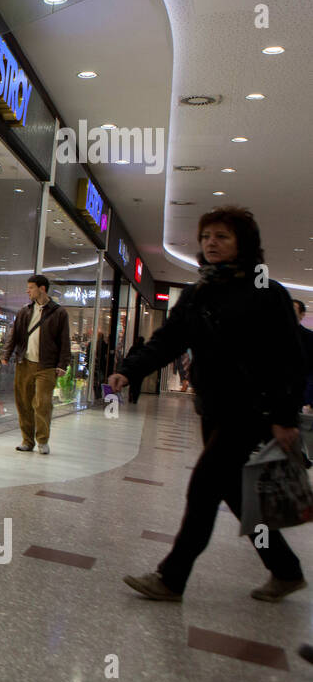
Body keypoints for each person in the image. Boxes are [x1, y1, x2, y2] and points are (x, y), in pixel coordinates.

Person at [113, 206, 306, 603]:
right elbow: (168, 340)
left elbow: (290, 359)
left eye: (222, 236)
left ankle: (171, 578)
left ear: (243, 243)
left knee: (203, 489)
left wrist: (285, 416)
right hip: (214, 408)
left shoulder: (267, 292)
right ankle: (286, 570)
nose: (211, 244)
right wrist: (130, 371)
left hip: (252, 412)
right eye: (206, 237)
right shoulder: (200, 292)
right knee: (236, 495)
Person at [0, 274, 71, 454]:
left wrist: (63, 364)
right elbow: (14, 335)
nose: (27, 291)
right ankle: (27, 440)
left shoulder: (59, 313)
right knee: (23, 402)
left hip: (46, 366)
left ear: (42, 289)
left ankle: (42, 440)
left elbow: (64, 341)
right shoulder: (25, 311)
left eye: (31, 287)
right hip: (25, 363)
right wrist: (6, 354)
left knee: (42, 403)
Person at [294, 299, 313, 413]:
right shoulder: (275, 334)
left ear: (302, 315)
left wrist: (308, 398)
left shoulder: (309, 337)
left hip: (298, 391)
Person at [127, 335, 146, 404]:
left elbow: (128, 357)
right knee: (138, 385)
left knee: (132, 384)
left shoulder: (133, 348)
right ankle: (135, 398)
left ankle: (131, 395)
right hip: (140, 370)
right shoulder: (144, 349)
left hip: (133, 368)